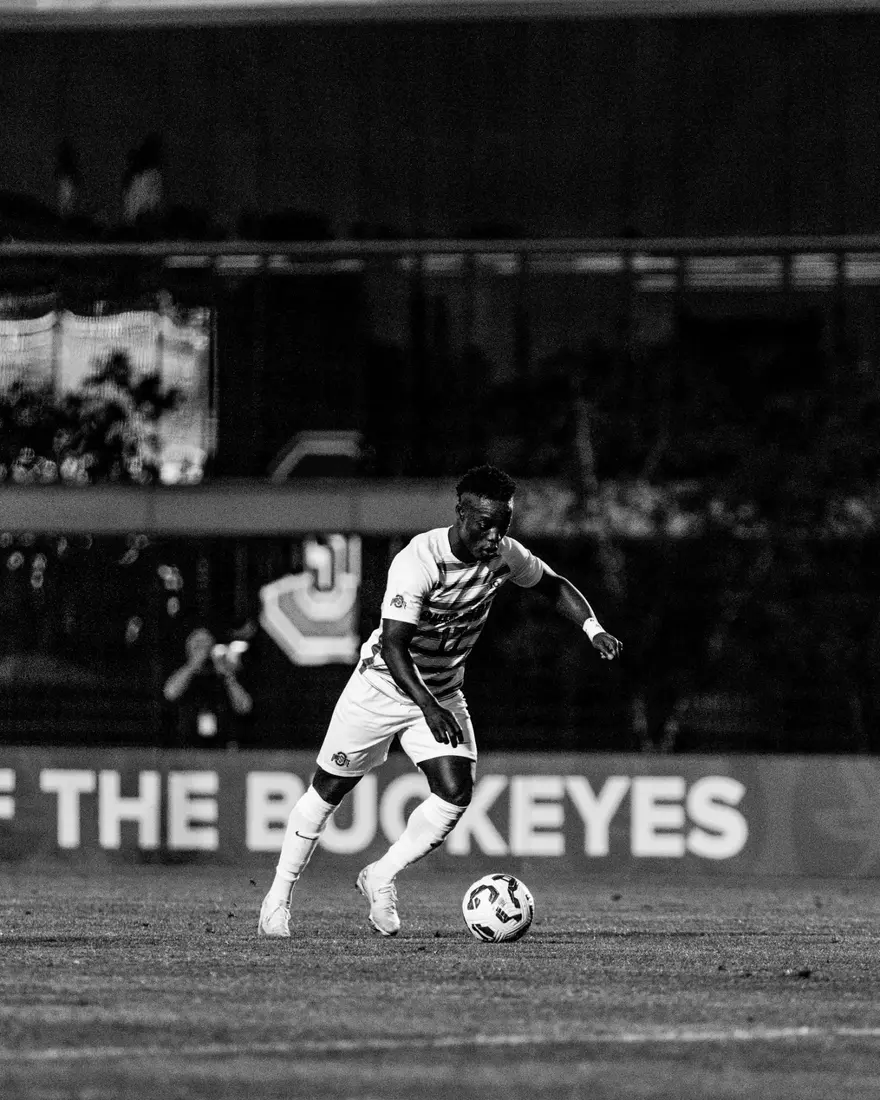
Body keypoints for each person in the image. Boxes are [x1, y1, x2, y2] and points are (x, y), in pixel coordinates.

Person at [258, 464, 622, 937]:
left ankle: (381, 874)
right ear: (461, 514)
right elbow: (393, 646)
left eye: (503, 527)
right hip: (382, 688)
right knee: (326, 793)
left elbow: (552, 584)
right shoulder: (418, 561)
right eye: (484, 525)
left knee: (455, 792)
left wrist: (592, 628)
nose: (494, 537)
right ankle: (277, 899)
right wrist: (429, 707)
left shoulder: (505, 556)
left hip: (442, 690)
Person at [163, 624, 252, 747]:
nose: (203, 649)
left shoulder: (225, 673)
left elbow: (244, 707)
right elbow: (170, 693)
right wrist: (193, 665)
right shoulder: (182, 673)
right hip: (188, 746)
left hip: (222, 745)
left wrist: (227, 675)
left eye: (207, 645)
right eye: (198, 645)